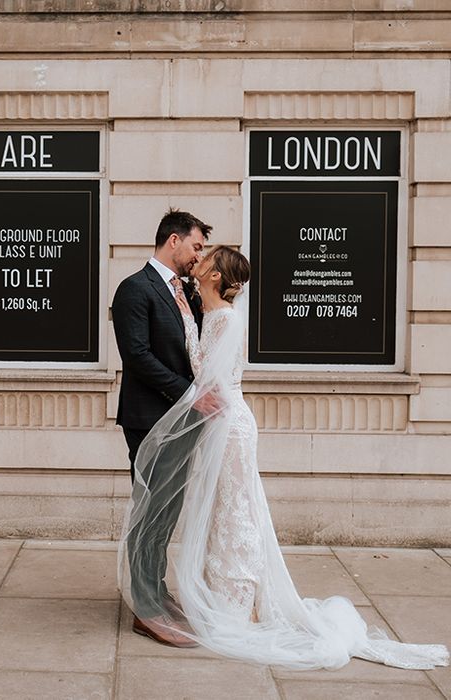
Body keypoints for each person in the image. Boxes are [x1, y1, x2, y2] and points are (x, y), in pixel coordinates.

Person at [118, 245, 450, 670]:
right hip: (222, 421)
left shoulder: (223, 319)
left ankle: (238, 604)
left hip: (229, 424)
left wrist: (186, 319)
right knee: (229, 508)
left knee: (237, 510)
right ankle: (231, 598)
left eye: (206, 257)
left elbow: (205, 375)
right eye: (197, 248)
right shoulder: (208, 310)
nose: (197, 260)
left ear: (216, 276)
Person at [111, 209, 212, 647]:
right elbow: (136, 356)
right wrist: (191, 395)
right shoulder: (135, 289)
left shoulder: (186, 293)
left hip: (183, 421)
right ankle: (144, 608)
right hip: (150, 418)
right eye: (195, 246)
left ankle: (156, 588)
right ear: (173, 241)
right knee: (149, 510)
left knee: (168, 510)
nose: (198, 255)